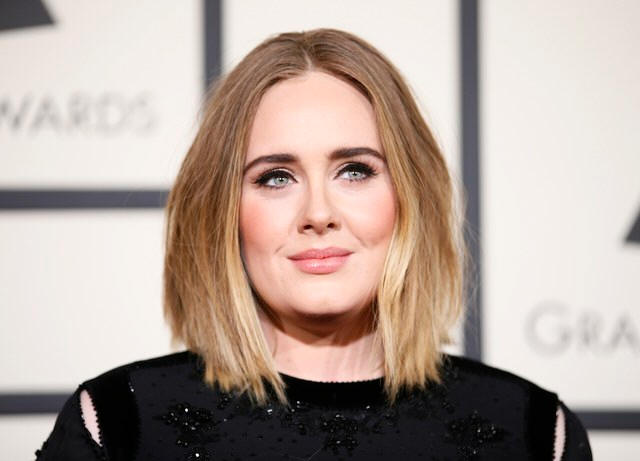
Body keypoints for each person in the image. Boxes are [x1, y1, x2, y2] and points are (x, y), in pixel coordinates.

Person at [36, 28, 592, 460]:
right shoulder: (117, 425)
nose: (318, 214)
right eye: (276, 177)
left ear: (410, 195)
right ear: (223, 213)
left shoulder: (533, 432)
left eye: (355, 170)